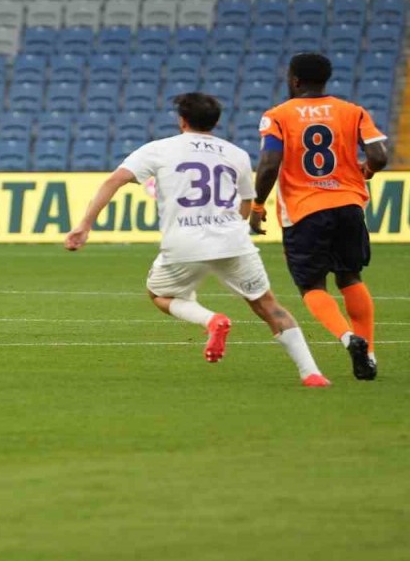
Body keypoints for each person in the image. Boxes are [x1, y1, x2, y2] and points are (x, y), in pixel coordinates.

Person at [65, 93, 330, 387]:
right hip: (233, 242)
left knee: (159, 295)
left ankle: (211, 320)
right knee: (268, 305)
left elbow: (113, 180)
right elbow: (247, 202)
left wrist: (84, 225)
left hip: (184, 244)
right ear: (216, 121)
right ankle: (312, 373)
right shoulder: (236, 154)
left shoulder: (158, 149)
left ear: (182, 120)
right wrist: (229, 228)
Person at [251, 52, 389, 381]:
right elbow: (378, 155)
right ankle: (368, 352)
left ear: (295, 80)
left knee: (312, 285)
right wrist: (366, 170)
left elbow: (270, 164)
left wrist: (257, 207)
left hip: (305, 210)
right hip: (348, 205)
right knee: (350, 277)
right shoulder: (352, 111)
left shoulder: (278, 116)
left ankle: (347, 338)